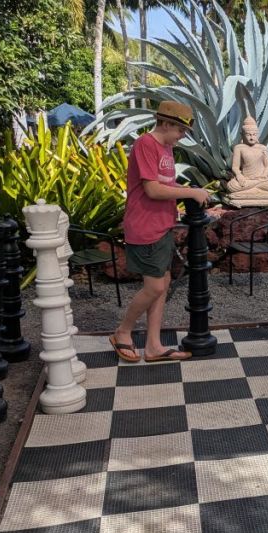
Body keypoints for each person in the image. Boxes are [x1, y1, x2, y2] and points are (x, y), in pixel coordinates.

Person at [109, 101, 212, 363]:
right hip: (144, 226)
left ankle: (153, 345)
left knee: (162, 284)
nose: (181, 137)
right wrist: (191, 192)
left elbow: (165, 186)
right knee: (154, 286)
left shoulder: (166, 149)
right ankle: (123, 331)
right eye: (180, 130)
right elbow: (152, 190)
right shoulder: (146, 144)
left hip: (161, 225)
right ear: (165, 123)